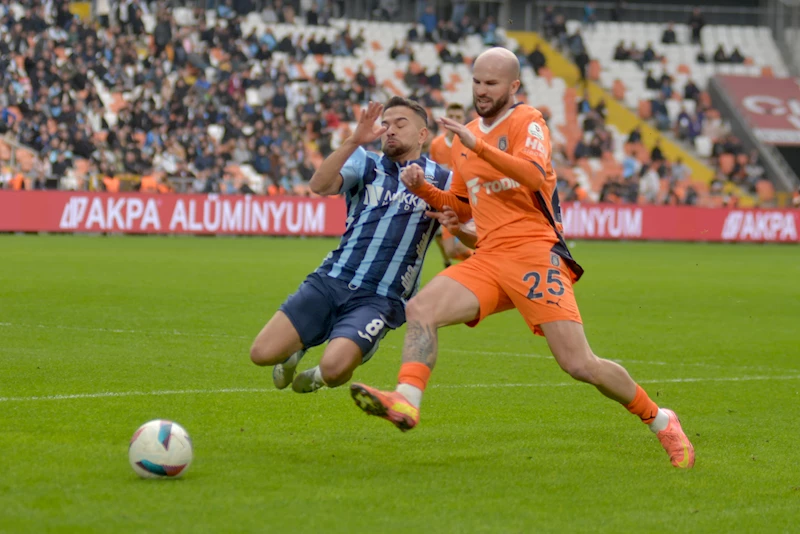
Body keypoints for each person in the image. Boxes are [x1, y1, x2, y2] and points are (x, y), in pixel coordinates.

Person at [348, 47, 695, 469]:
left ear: (513, 86)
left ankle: (660, 420)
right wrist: (421, 186)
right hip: (489, 255)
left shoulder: (526, 120)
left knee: (579, 364)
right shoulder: (464, 136)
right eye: (476, 81)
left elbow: (532, 174)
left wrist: (478, 144)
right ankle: (406, 400)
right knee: (422, 308)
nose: (481, 90)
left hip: (536, 254)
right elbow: (459, 206)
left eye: (491, 83)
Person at [249, 97, 451, 393]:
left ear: (422, 135)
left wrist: (458, 224)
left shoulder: (443, 180)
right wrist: (353, 140)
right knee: (261, 354)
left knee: (334, 371)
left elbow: (469, 231)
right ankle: (295, 351)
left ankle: (320, 374)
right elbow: (319, 186)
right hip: (332, 279)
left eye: (400, 124)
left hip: (380, 298)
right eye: (386, 123)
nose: (390, 130)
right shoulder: (365, 161)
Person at [428, 102, 474, 267]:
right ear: (445, 119)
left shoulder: (469, 143)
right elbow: (433, 170)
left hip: (467, 203)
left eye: (458, 117)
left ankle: (480, 267)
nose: (454, 120)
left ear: (463, 119)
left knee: (462, 246)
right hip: (446, 202)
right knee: (450, 251)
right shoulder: (436, 144)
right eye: (451, 116)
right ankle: (476, 264)